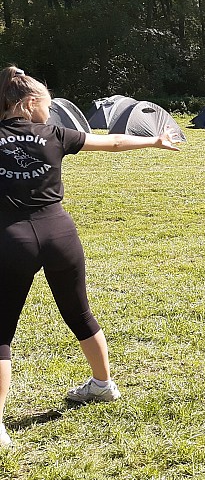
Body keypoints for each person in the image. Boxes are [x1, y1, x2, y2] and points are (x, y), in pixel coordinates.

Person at [0, 66, 181, 448]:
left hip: (11, 239)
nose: (50, 112)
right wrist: (152, 142)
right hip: (60, 234)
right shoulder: (54, 134)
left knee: (1, 332)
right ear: (30, 104)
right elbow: (112, 142)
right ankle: (103, 384)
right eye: (47, 104)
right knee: (79, 312)